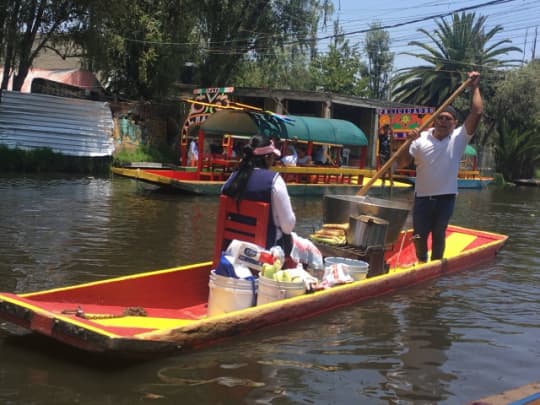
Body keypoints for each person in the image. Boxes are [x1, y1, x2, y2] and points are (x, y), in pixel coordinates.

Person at [403, 71, 483, 263]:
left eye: (449, 119)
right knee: (418, 235)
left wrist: (475, 86)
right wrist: (407, 142)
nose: (444, 121)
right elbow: (403, 162)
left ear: (455, 123)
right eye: (441, 118)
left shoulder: (459, 138)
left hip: (445, 198)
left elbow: (477, 112)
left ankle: (436, 264)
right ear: (435, 120)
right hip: (422, 197)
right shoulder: (420, 138)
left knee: (439, 233)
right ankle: (422, 261)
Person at [221, 134, 296, 253]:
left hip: (231, 248)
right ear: (266, 158)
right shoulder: (274, 181)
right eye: (272, 157)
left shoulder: (232, 178)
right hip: (262, 253)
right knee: (291, 237)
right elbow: (288, 226)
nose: (273, 161)